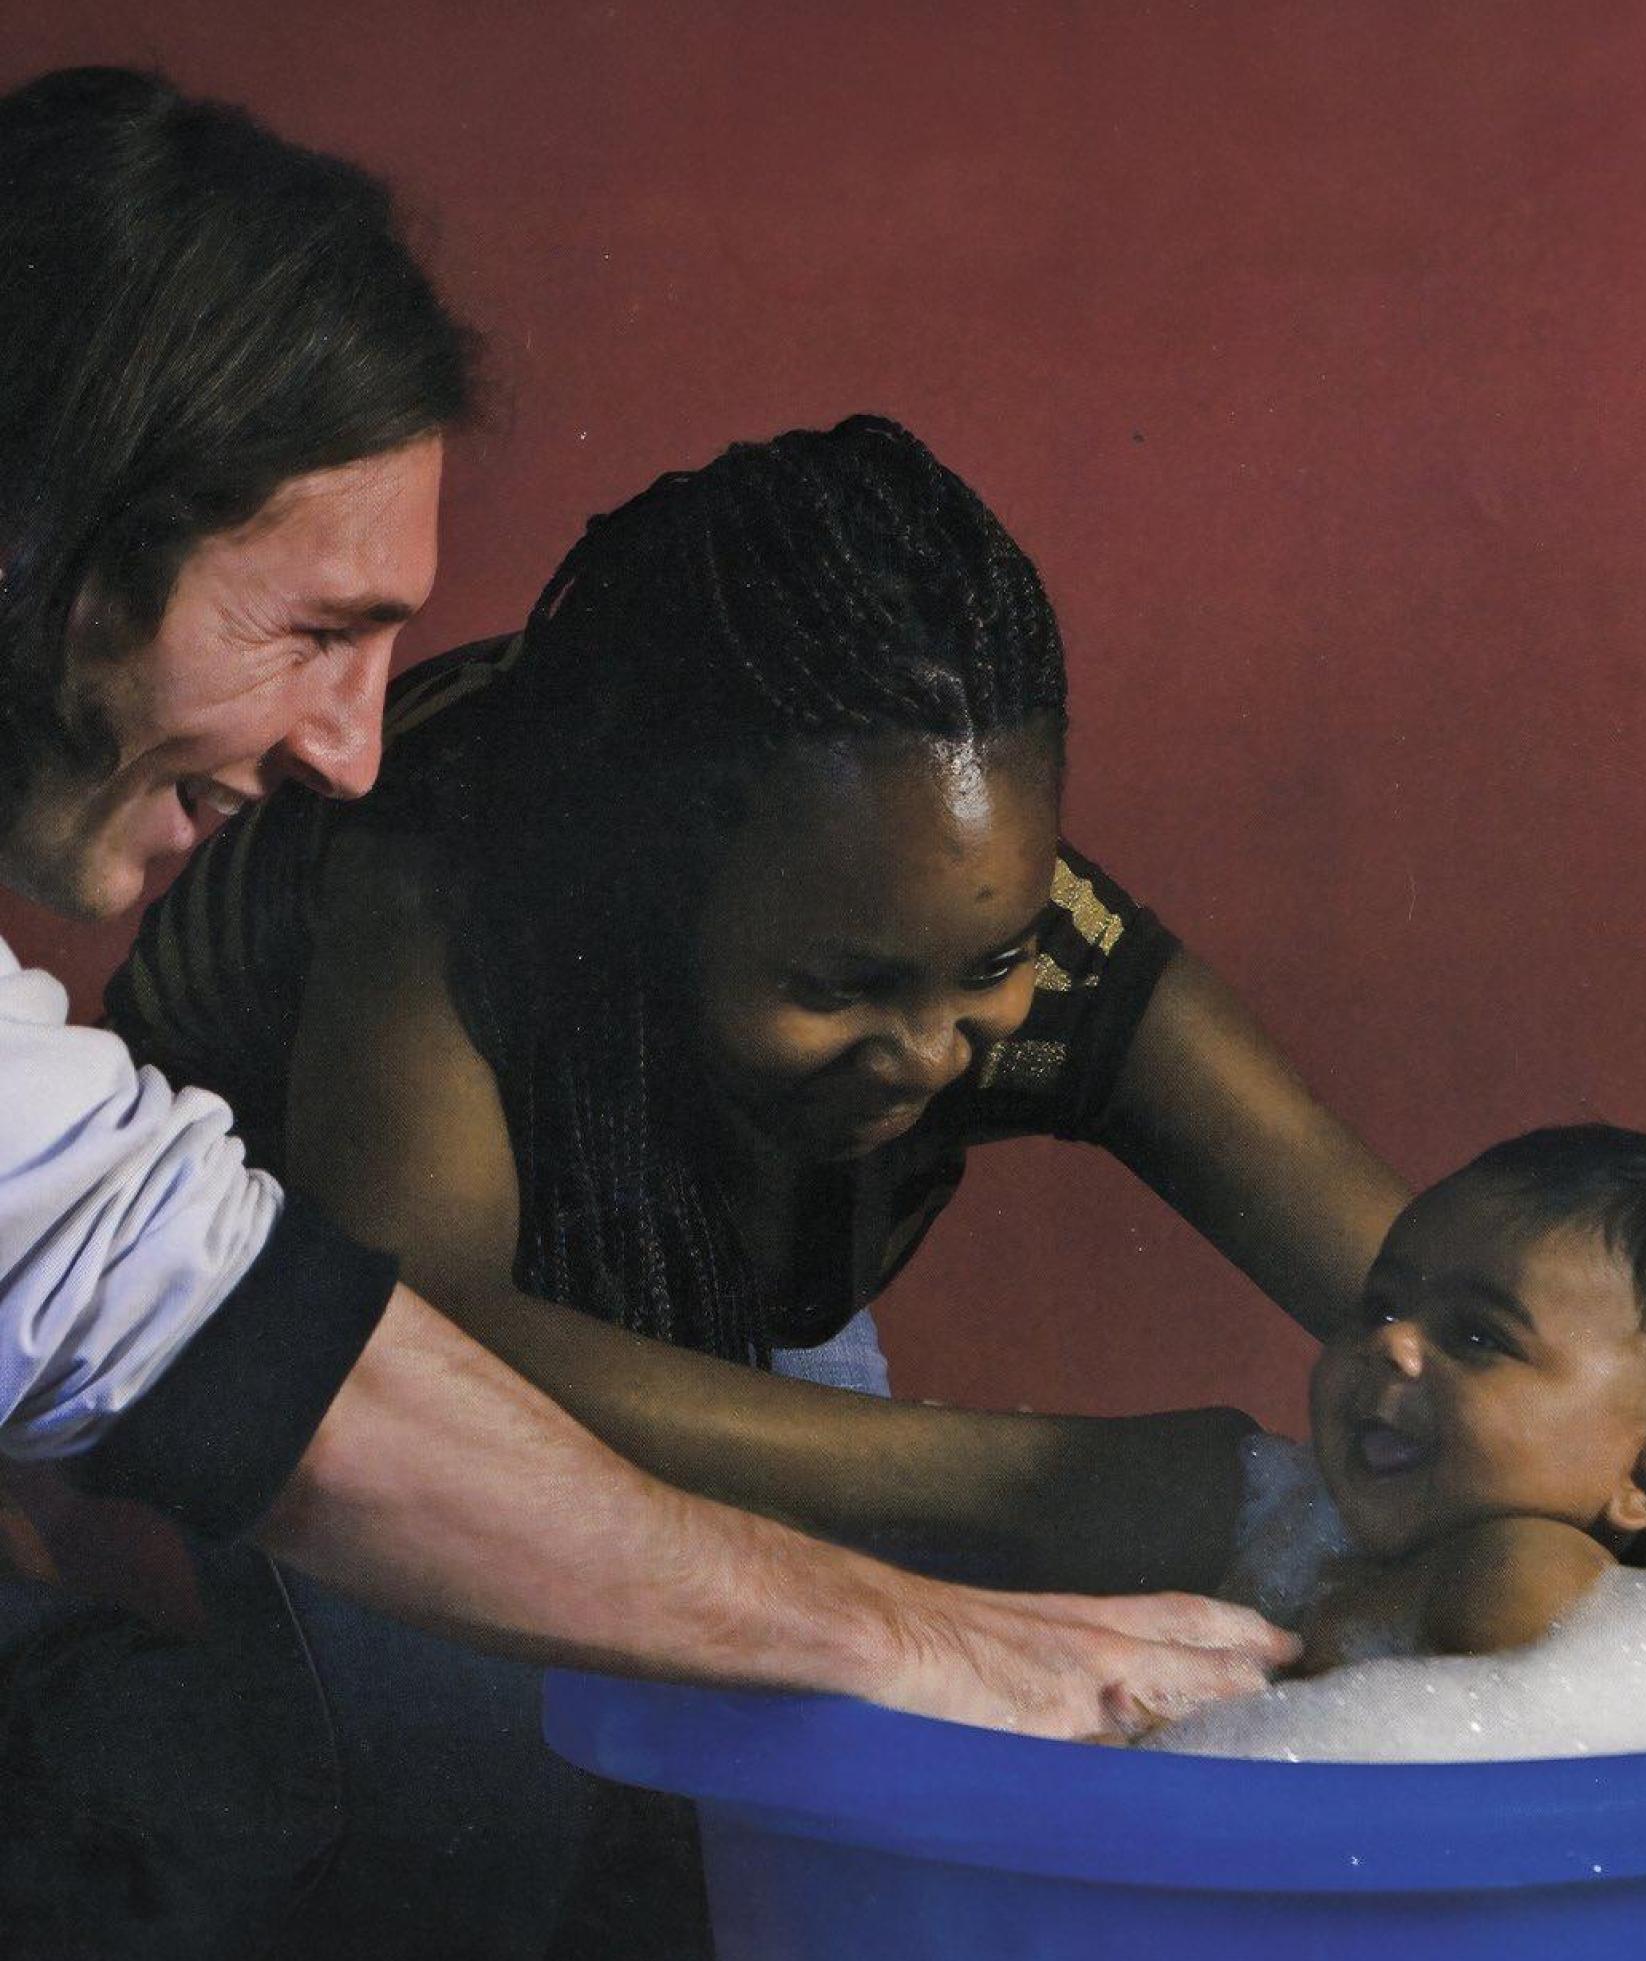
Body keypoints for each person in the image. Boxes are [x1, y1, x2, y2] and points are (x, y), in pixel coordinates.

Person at [0, 66, 1296, 1959]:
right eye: (310, 631)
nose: (350, 746)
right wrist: (961, 1580)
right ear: (51, 552)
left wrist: (916, 1618)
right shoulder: (431, 881)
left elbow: (141, 1274)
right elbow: (265, 1340)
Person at [107, 413, 1407, 1948]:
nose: (932, 1049)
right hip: (282, 1318)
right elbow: (417, 1341)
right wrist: (1033, 1481)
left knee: (787, 1806)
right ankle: (64, 1710)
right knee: (469, 1847)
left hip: (669, 1277)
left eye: (991, 962)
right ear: (655, 888)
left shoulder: (972, 912)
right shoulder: (439, 868)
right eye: (844, 982)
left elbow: (1446, 1296)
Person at [1218, 1124, 1646, 1676]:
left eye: (1479, 1337)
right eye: (1382, 1305)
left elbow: (1521, 1589)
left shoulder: (1540, 1571)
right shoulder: (1292, 1506)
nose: (1392, 1341)